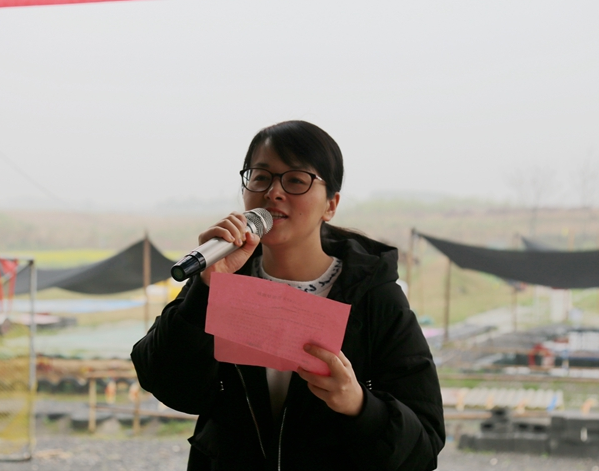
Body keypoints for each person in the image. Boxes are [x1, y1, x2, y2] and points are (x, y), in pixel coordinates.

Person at [131, 120, 445, 470]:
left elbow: (424, 444)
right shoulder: (220, 280)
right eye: (261, 177)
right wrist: (205, 289)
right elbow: (169, 385)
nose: (273, 192)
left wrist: (358, 404)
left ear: (331, 205)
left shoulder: (374, 296)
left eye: (295, 180)